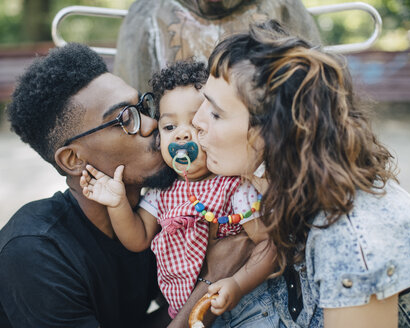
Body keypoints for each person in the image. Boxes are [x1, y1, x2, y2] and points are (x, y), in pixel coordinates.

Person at [0, 43, 253, 328]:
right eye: (125, 119)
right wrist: (210, 283)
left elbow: (167, 313)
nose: (151, 125)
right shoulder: (32, 254)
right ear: (73, 159)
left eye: (144, 107)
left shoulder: (161, 216)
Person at [192, 20, 410, 328]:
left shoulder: (349, 238)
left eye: (215, 113)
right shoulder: (280, 191)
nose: (197, 121)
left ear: (272, 135)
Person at [80, 60, 277, 327]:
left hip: (246, 309)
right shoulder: (163, 191)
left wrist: (238, 284)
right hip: (183, 311)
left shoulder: (234, 185)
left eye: (196, 125)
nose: (182, 135)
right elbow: (137, 239)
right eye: (170, 127)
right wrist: (118, 204)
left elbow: (266, 245)